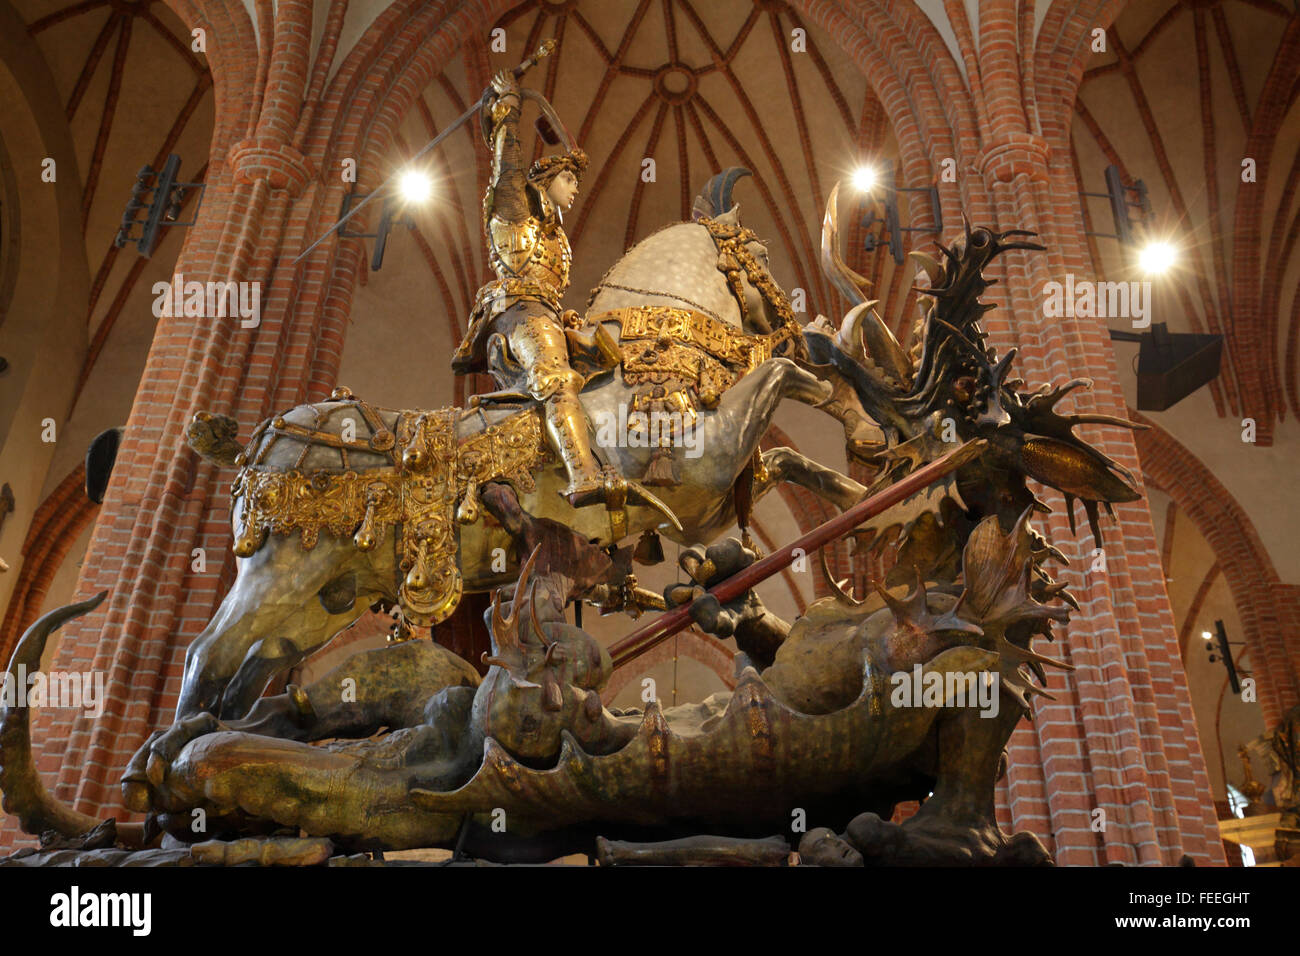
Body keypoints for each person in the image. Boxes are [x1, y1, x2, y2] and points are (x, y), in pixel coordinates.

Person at [452, 68, 613, 508]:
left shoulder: (554, 236)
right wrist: (508, 111)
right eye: (569, 180)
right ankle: (583, 475)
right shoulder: (516, 208)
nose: (575, 189)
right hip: (518, 311)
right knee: (556, 379)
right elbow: (508, 167)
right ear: (547, 181)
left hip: (544, 313)